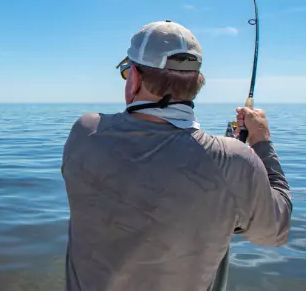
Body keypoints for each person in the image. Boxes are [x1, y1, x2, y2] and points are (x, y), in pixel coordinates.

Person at [60, 20, 292, 291]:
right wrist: (261, 144)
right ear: (198, 82)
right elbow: (275, 231)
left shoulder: (86, 132)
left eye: (126, 72)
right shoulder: (234, 161)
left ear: (134, 77)